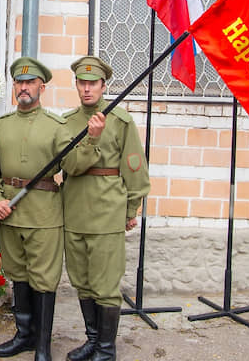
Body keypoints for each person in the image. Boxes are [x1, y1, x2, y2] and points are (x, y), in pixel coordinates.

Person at [0, 57, 103, 361]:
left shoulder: (56, 126)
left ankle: (43, 345)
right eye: (19, 82)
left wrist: (91, 140)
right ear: (14, 86)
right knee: (18, 275)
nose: (24, 88)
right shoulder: (0, 125)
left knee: (43, 279)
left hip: (44, 215)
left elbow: (74, 165)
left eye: (30, 83)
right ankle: (24, 336)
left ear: (42, 87)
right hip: (9, 213)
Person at [62, 56, 150, 361]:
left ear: (103, 86)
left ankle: (107, 349)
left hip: (107, 212)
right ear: (75, 85)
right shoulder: (67, 121)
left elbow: (134, 168)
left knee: (105, 284)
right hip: (74, 210)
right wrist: (92, 140)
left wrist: (131, 209)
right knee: (82, 281)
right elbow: (70, 166)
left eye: (92, 83)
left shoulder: (121, 120)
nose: (87, 89)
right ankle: (92, 340)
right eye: (81, 83)